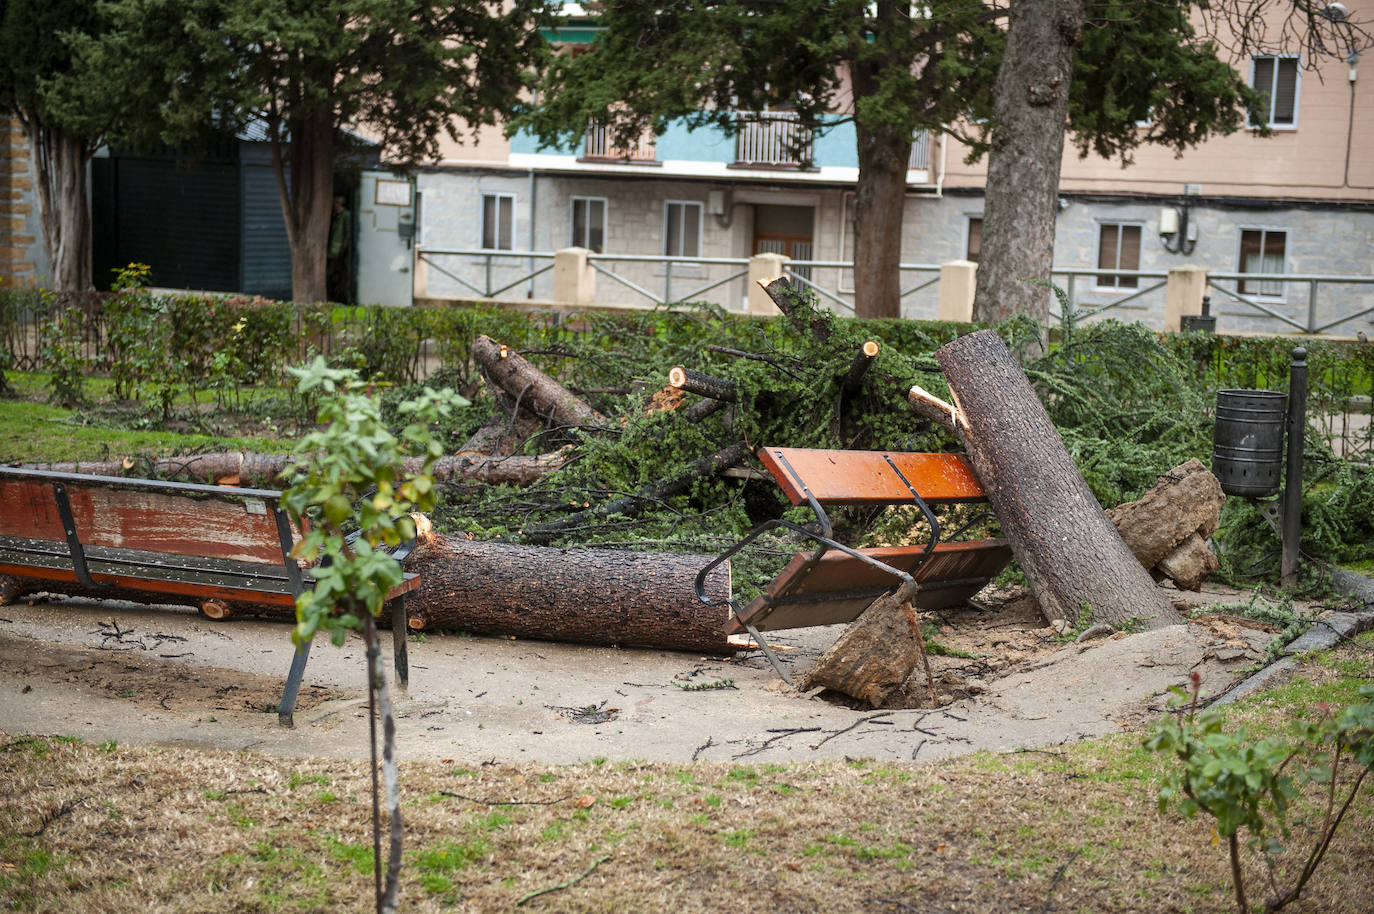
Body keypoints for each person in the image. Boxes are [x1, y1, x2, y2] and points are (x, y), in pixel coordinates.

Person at [327, 194, 352, 303]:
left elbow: (347, 234)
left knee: (336, 275)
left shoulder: (345, 215)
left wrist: (343, 248)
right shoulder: (335, 215)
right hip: (333, 250)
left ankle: (338, 298)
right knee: (331, 274)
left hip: (338, 251)